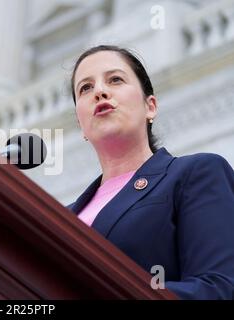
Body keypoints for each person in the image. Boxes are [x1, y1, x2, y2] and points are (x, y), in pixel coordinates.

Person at [67, 45, 234, 300]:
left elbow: (219, 289)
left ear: (150, 107)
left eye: (115, 79)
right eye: (85, 88)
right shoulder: (65, 216)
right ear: (81, 125)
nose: (99, 91)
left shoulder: (195, 174)